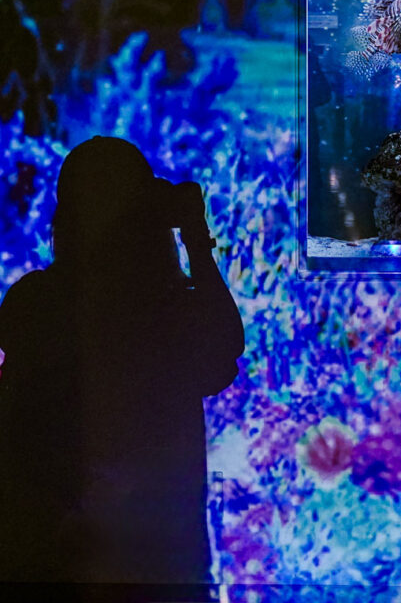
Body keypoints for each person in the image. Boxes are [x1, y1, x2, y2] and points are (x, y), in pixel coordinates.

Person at [0, 136, 245, 588]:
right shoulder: (162, 312)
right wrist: (194, 236)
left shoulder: (34, 303)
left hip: (55, 563)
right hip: (160, 567)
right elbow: (222, 354)